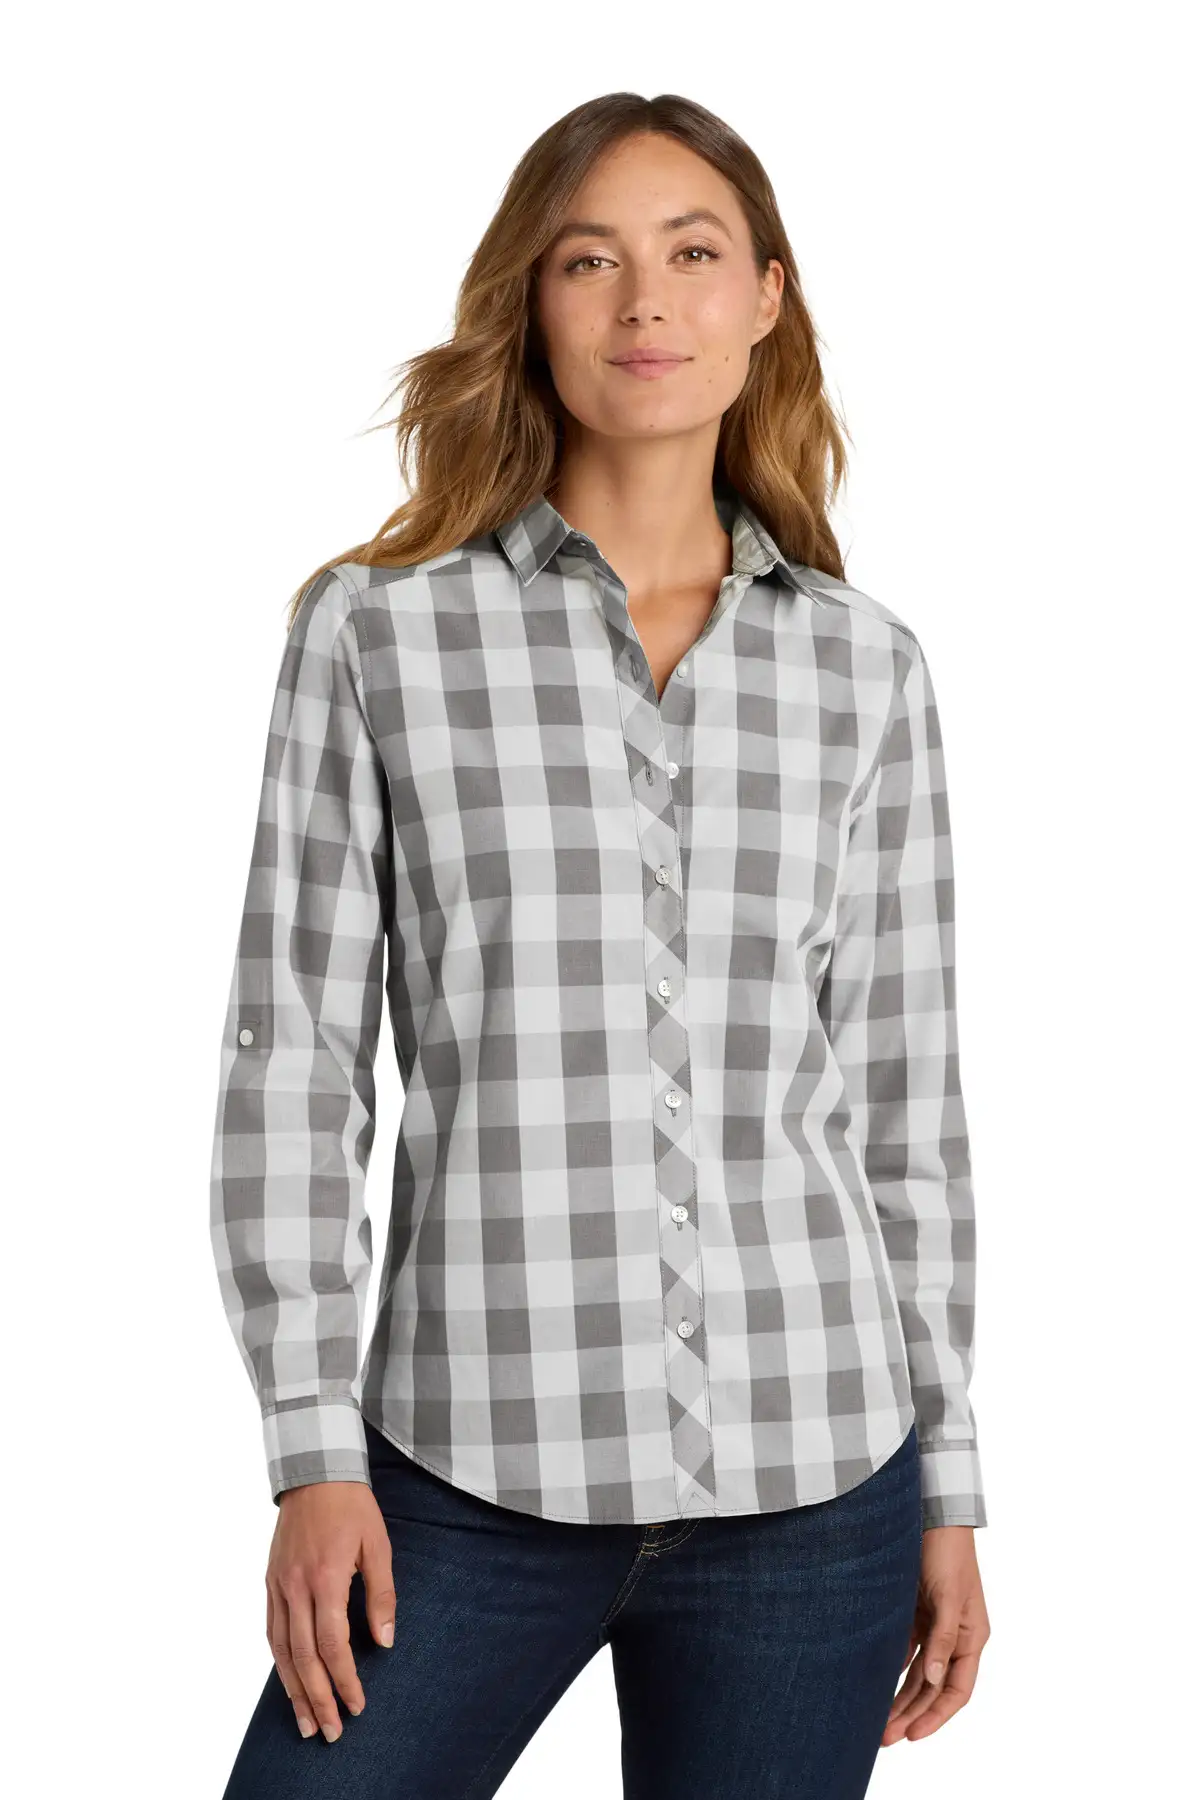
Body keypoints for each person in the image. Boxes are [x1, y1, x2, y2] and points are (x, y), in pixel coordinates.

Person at [209, 90, 991, 1800]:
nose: (647, 302)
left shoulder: (866, 668)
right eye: (590, 260)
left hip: (819, 1479)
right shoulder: (379, 634)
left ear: (766, 298)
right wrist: (310, 1454)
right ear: (532, 302)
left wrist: (949, 1487)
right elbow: (296, 1063)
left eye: (694, 254)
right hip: (464, 1472)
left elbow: (903, 1104)